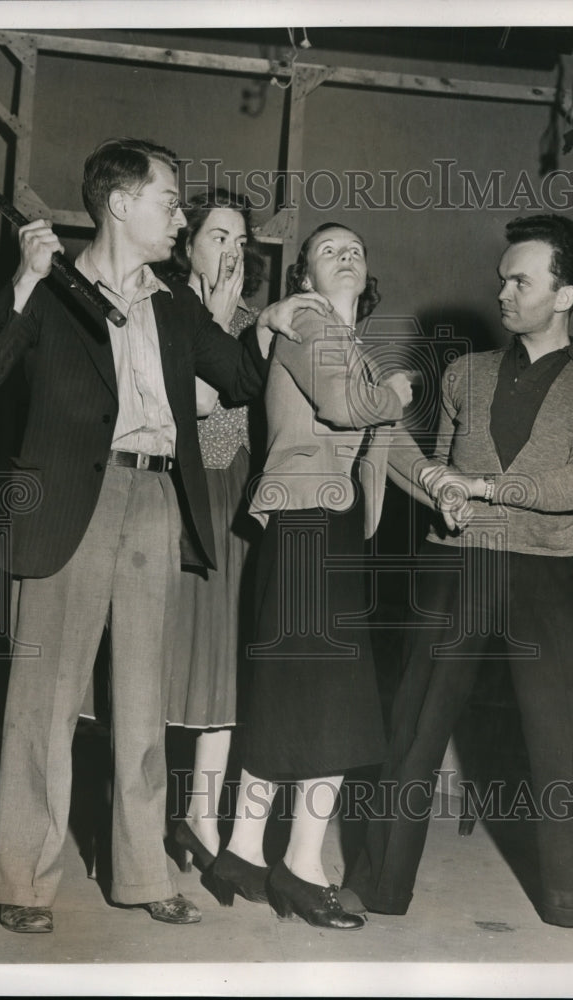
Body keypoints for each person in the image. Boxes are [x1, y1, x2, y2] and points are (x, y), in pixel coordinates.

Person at [0, 138, 330, 933]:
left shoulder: (171, 303)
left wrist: (269, 322)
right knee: (43, 705)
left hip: (158, 500)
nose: (181, 216)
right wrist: (22, 282)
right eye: (170, 200)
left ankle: (141, 872)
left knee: (143, 703)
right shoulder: (50, 293)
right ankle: (23, 881)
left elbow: (242, 380)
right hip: (69, 505)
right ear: (120, 203)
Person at [342, 214, 573, 938]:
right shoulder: (466, 373)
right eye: (502, 277)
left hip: (546, 569)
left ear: (563, 295)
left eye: (520, 279)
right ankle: (375, 882)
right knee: (413, 719)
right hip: (457, 562)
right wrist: (446, 491)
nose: (503, 290)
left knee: (572, 730)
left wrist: (486, 490)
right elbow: (439, 463)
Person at [205, 222, 440, 930]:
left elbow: (386, 443)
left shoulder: (350, 347)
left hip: (319, 527)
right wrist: (398, 389)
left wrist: (441, 485)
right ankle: (302, 866)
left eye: (358, 250)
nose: (347, 256)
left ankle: (242, 851)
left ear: (368, 278)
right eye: (329, 249)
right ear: (304, 277)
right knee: (336, 702)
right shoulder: (310, 322)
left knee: (293, 691)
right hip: (310, 522)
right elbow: (349, 409)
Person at [161, 190, 264, 869]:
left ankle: (201, 818)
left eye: (240, 238)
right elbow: (182, 417)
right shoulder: (157, 306)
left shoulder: (257, 323)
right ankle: (140, 816)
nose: (231, 249)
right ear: (186, 243)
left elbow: (228, 438)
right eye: (218, 234)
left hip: (230, 503)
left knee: (221, 664)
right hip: (164, 494)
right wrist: (218, 327)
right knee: (156, 664)